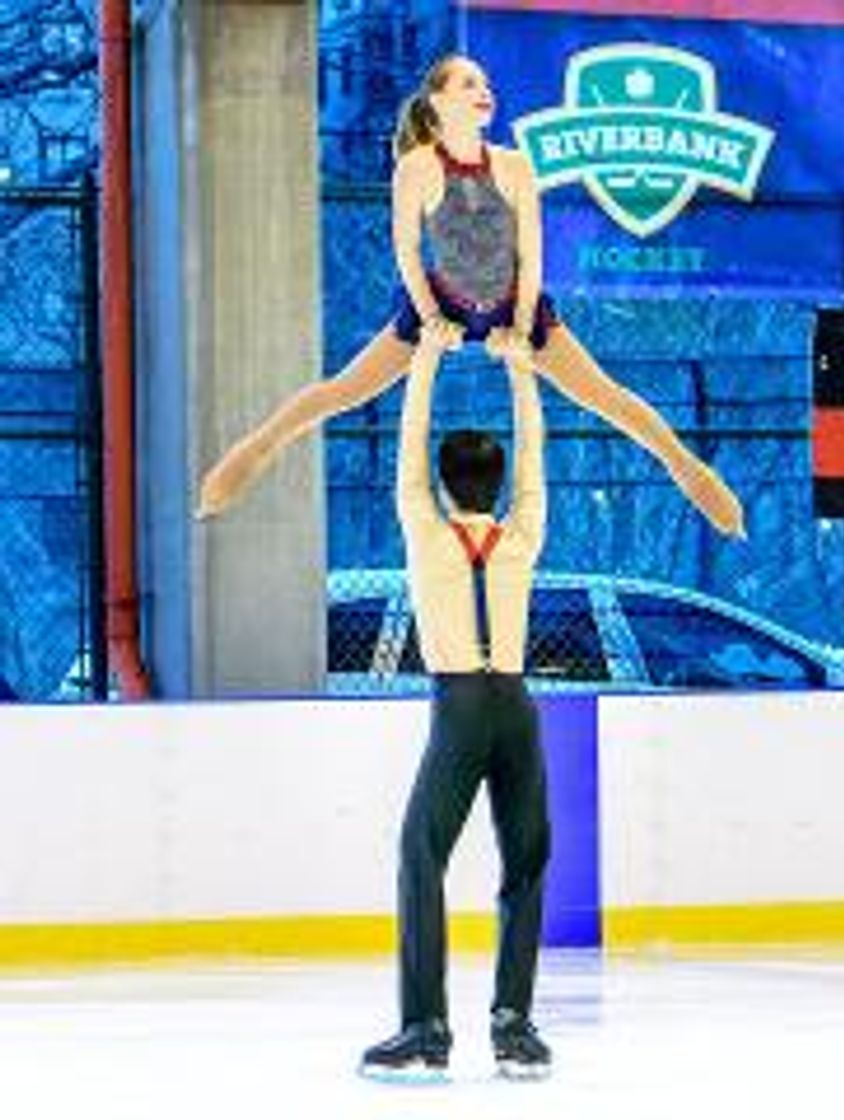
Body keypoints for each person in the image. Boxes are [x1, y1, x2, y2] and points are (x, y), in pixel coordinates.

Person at [196, 54, 743, 538]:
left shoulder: (516, 165)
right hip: (444, 302)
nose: (484, 90)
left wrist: (520, 325)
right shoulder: (416, 167)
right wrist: (431, 318)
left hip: (514, 302)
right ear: (436, 102)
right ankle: (243, 463)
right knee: (342, 391)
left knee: (608, 398)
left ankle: (698, 480)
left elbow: (531, 254)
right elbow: (407, 251)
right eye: (467, 83)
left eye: (485, 83)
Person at [360, 328, 553, 1082]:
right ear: (497, 484)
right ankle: (514, 1026)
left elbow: (408, 451)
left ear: (445, 486)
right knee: (526, 862)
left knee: (421, 854)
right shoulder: (521, 534)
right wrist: (520, 370)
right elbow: (535, 456)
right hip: (516, 706)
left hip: (461, 707)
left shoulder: (426, 531)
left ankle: (426, 1028)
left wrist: (426, 358)